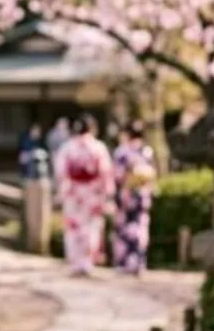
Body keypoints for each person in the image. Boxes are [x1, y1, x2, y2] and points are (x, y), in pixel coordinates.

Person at [53, 114, 114, 276]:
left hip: (73, 193)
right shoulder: (98, 147)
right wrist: (107, 194)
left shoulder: (67, 148)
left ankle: (75, 262)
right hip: (93, 194)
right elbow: (105, 172)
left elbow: (61, 173)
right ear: (92, 128)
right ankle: (87, 263)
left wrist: (62, 191)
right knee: (91, 227)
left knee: (73, 227)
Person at [112, 120, 156, 276]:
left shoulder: (122, 152)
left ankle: (124, 264)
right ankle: (139, 263)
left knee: (125, 229)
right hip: (142, 194)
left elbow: (117, 175)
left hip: (126, 194)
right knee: (141, 228)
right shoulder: (147, 151)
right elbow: (152, 174)